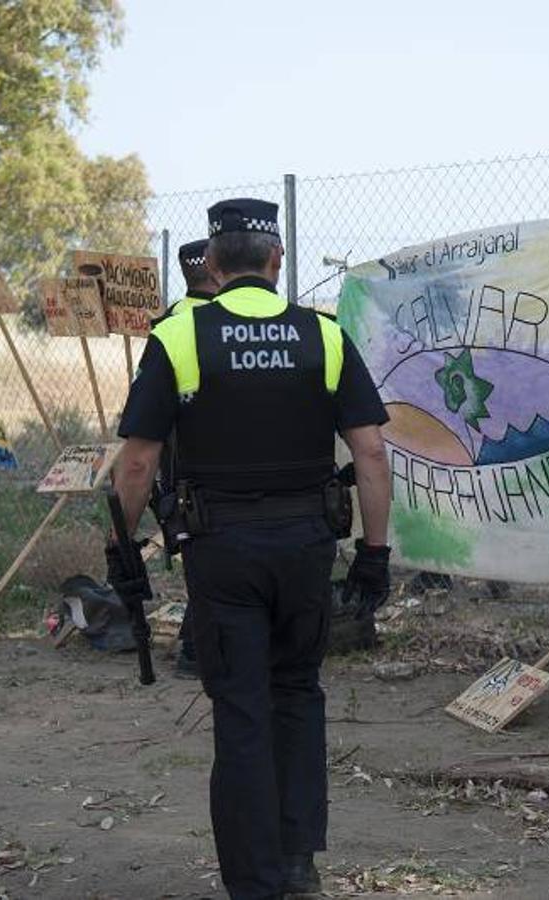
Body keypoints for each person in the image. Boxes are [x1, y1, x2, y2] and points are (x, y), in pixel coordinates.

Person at [107, 197, 393, 899]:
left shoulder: (179, 336)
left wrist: (120, 548)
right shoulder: (321, 336)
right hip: (305, 547)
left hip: (221, 549)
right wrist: (374, 554)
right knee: (297, 692)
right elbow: (371, 455)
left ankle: (255, 883)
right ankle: (298, 861)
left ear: (209, 263)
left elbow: (137, 462)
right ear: (276, 261)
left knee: (240, 708)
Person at [148, 239, 221, 678]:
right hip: (203, 458)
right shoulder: (209, 321)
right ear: (213, 269)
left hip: (176, 464)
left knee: (199, 554)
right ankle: (195, 647)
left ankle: (197, 641)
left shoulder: (169, 319)